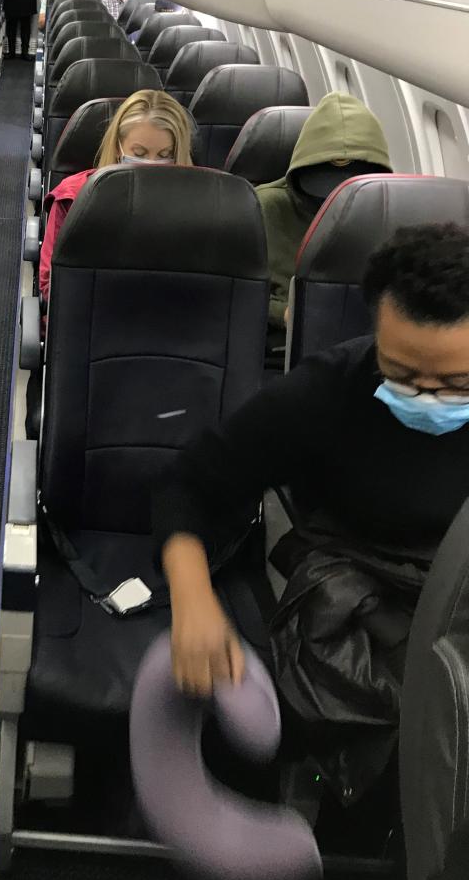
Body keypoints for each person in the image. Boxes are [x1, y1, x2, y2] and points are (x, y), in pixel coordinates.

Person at [157, 223, 469, 795]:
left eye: (456, 383)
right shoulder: (327, 393)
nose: (426, 396)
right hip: (355, 591)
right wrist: (193, 598)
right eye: (401, 373)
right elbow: (188, 486)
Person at [39, 90, 193, 302]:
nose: (151, 163)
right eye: (139, 154)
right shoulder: (75, 199)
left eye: (165, 156)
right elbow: (52, 285)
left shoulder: (197, 206)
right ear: (119, 148)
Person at [257, 92, 391, 334]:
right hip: (280, 345)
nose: (334, 197)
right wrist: (285, 313)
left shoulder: (389, 213)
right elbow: (238, 293)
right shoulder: (264, 208)